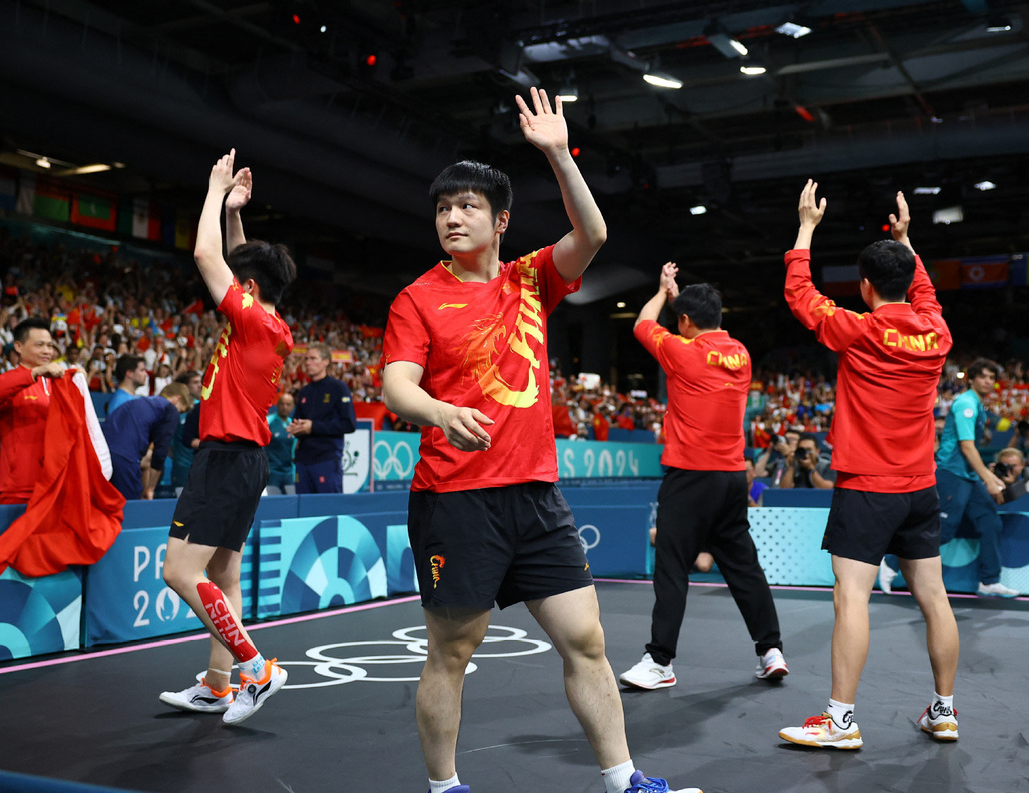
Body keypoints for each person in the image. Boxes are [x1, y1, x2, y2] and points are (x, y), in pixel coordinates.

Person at [381, 88, 699, 793]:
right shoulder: (417, 297)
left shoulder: (530, 280)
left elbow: (591, 234)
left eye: (466, 206)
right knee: (451, 651)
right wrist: (435, 411)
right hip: (456, 499)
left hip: (534, 496)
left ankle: (623, 781)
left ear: (499, 221)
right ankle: (445, 786)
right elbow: (396, 384)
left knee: (586, 640)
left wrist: (557, 154)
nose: (451, 216)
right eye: (442, 207)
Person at [778, 183, 961, 750]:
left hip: (866, 487)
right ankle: (945, 712)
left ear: (863, 287)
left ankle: (840, 722)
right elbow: (923, 290)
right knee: (934, 597)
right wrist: (909, 244)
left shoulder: (858, 330)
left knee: (851, 597)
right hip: (921, 488)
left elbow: (799, 294)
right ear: (908, 282)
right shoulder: (936, 331)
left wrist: (806, 227)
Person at [157, 151, 295, 726]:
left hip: (225, 459)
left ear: (250, 287)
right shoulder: (271, 322)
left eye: (242, 281)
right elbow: (238, 263)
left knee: (179, 574)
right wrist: (238, 212)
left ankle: (257, 671)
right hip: (246, 462)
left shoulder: (252, 320)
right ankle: (218, 686)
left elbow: (205, 255)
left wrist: (213, 191)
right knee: (222, 577)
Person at [619, 263, 787, 692]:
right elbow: (699, 331)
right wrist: (681, 300)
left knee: (672, 567)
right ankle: (770, 651)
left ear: (685, 322)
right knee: (743, 567)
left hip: (690, 477)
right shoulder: (741, 355)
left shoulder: (680, 351)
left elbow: (642, 324)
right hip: (733, 478)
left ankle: (660, 662)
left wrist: (661, 291)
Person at [934, 360, 1019, 597]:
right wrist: (990, 481)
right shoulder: (966, 404)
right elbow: (967, 447)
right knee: (943, 530)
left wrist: (988, 475)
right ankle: (891, 563)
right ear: (971, 379)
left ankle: (989, 581)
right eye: (982, 377)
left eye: (992, 377)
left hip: (967, 475)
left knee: (990, 522)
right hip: (951, 472)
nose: (988, 381)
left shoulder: (978, 406)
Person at [0, 317, 70, 504]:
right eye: (40, 345)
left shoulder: (56, 384)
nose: (47, 351)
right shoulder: (10, 380)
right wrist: (34, 373)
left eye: (50, 345)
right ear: (18, 346)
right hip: (20, 488)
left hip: (56, 484)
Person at [101, 382, 192, 500]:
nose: (178, 415)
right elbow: (160, 452)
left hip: (102, 454)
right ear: (177, 399)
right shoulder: (169, 409)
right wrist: (150, 488)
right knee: (131, 507)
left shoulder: (139, 401)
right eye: (180, 411)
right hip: (124, 459)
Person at [289, 344, 356, 494]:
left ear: (326, 361)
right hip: (303, 460)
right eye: (306, 359)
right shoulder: (305, 391)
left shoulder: (339, 388)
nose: (307, 362)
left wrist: (313, 427)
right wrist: (295, 428)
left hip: (326, 458)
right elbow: (297, 421)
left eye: (313, 358)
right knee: (303, 512)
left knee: (329, 510)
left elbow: (349, 424)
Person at [267, 391, 297, 494]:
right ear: (277, 405)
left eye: (288, 404)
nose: (285, 407)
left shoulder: (293, 425)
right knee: (274, 505)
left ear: (292, 407)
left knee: (291, 505)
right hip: (272, 473)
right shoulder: (268, 421)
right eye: (282, 404)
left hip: (289, 473)